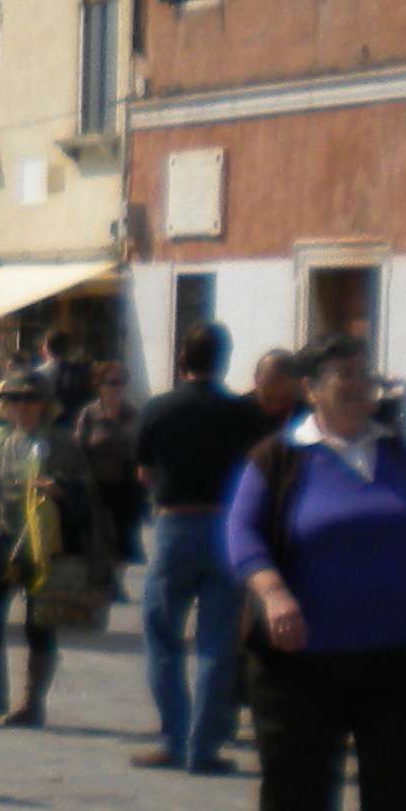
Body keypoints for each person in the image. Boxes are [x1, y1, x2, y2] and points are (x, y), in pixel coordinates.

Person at [231, 336, 406, 811]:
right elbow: (242, 536)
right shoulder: (279, 457)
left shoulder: (397, 452)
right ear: (311, 388)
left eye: (365, 374)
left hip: (396, 652)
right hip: (300, 657)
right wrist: (274, 593)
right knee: (299, 782)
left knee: (403, 784)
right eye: (342, 375)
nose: (358, 385)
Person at [131, 321, 263, 772]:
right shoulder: (243, 414)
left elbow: (144, 473)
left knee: (163, 635)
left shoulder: (158, 409)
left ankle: (173, 738)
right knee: (217, 641)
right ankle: (204, 747)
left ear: (181, 358)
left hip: (175, 525)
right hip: (226, 526)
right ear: (223, 361)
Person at [0, 369, 87, 730]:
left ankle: (32, 703)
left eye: (29, 399)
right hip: (0, 538)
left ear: (45, 404)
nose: (21, 406)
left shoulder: (60, 443)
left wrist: (60, 490)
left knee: (39, 624)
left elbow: (86, 493)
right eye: (13, 399)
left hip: (41, 544)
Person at [77, 360, 145, 566]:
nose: (118, 388)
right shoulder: (90, 415)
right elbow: (78, 449)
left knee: (125, 541)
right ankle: (109, 582)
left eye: (122, 382)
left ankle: (118, 576)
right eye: (112, 382)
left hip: (128, 487)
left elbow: (143, 449)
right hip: (97, 486)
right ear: (99, 385)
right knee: (101, 539)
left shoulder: (133, 414)